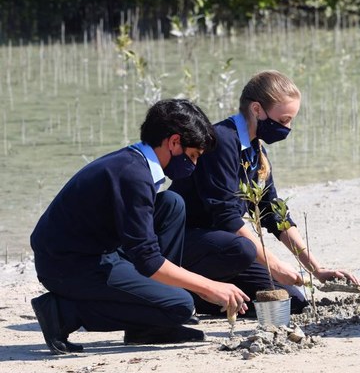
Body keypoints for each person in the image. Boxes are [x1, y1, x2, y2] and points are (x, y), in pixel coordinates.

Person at [30, 99, 250, 355]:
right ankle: (63, 313)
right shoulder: (132, 175)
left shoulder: (135, 163)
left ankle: (148, 326)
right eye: (193, 156)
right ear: (174, 142)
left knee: (171, 204)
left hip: (94, 250)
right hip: (66, 264)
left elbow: (142, 248)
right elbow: (148, 261)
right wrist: (210, 286)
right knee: (180, 304)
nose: (194, 165)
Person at [170, 70, 360, 315]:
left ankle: (214, 295)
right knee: (242, 249)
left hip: (226, 246)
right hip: (190, 242)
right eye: (283, 120)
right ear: (257, 110)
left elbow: (273, 211)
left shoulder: (255, 150)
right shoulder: (220, 142)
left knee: (289, 304)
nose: (287, 128)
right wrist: (276, 265)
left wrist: (316, 269)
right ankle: (183, 290)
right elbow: (227, 218)